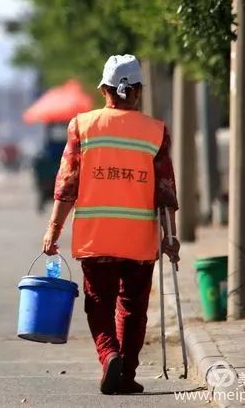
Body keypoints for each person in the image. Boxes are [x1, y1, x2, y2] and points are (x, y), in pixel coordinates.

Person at [40, 54, 180, 395]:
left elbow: (67, 184)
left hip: (97, 237)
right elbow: (165, 190)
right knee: (133, 308)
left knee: (99, 303)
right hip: (139, 240)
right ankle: (127, 375)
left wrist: (53, 230)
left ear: (105, 90)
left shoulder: (81, 126)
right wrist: (171, 236)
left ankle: (109, 354)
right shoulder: (156, 131)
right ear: (138, 93)